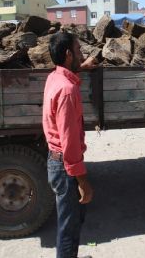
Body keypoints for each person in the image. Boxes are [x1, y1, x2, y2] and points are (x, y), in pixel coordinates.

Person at [42, 31, 97, 258]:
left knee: (72, 220)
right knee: (69, 229)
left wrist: (82, 66)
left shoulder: (55, 77)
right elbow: (70, 141)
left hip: (56, 160)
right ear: (67, 54)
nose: (81, 54)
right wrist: (82, 181)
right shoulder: (67, 90)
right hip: (65, 166)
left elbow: (70, 73)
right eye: (78, 51)